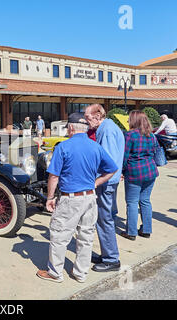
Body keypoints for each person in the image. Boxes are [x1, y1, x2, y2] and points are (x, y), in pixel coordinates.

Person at [36, 113, 118, 283]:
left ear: (71, 128)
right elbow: (112, 169)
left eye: (67, 127)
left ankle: (55, 273)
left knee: (60, 235)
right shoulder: (95, 146)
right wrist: (96, 183)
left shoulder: (63, 147)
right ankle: (80, 273)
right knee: (86, 237)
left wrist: (49, 198)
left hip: (70, 199)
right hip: (90, 197)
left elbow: (53, 176)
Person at [84, 104, 125, 272]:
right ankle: (107, 253)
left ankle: (111, 259)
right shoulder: (109, 127)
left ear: (97, 116)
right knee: (104, 219)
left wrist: (95, 181)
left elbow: (107, 162)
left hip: (106, 182)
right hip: (109, 182)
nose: (87, 122)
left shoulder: (106, 130)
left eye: (88, 118)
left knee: (104, 220)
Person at [121, 111, 159, 240]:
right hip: (150, 170)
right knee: (145, 200)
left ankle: (131, 232)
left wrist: (122, 171)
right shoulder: (152, 136)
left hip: (134, 172)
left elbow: (124, 156)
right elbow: (154, 153)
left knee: (132, 202)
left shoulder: (130, 135)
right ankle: (146, 230)